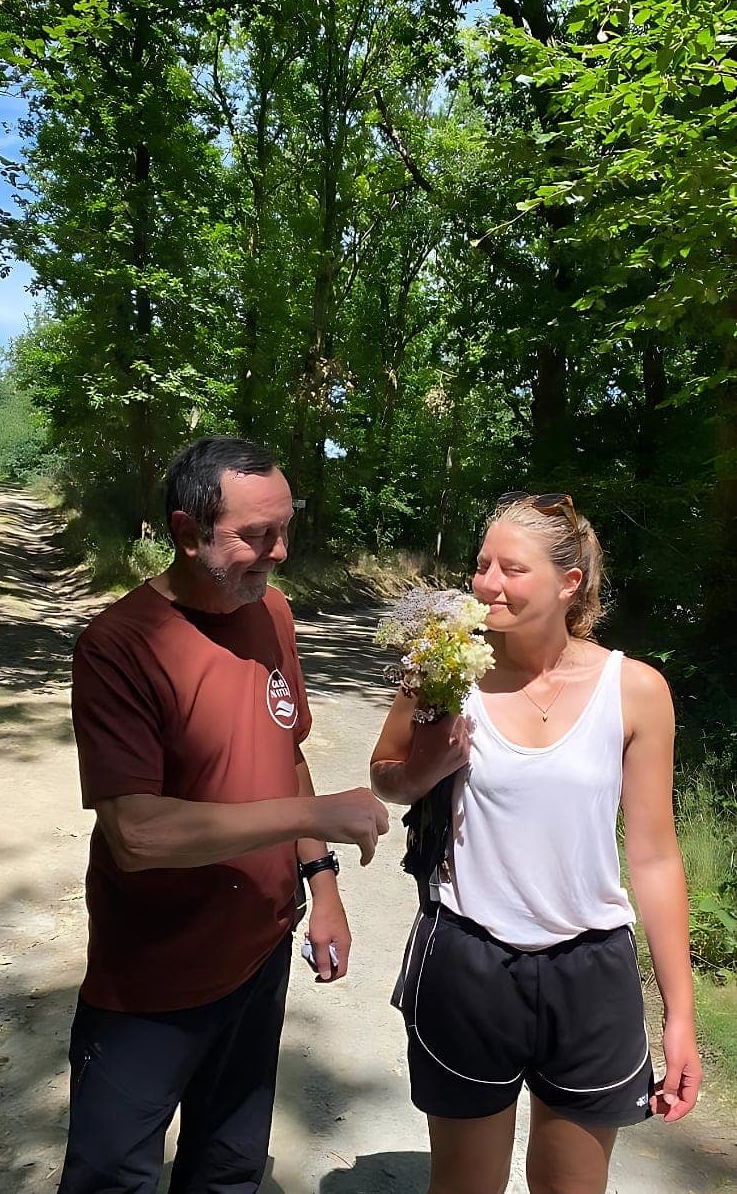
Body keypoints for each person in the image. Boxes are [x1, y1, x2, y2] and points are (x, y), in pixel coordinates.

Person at [58, 434, 389, 1194]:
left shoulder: (271, 611)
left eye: (284, 528)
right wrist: (315, 815)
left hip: (261, 953)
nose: (277, 552)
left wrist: (322, 882)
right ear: (185, 531)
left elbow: (286, 749)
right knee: (113, 1178)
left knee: (228, 1168)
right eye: (255, 534)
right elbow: (136, 834)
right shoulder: (119, 646)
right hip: (152, 979)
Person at [370, 492, 701, 1194]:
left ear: (568, 582)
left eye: (510, 568)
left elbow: (652, 855)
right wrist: (426, 766)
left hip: (591, 972)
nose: (485, 582)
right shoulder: (442, 668)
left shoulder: (634, 689)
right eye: (481, 564)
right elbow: (386, 778)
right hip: (466, 959)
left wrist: (679, 1014)